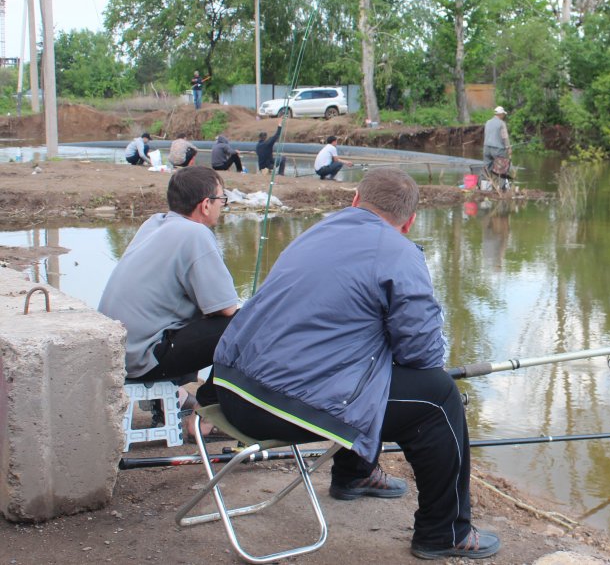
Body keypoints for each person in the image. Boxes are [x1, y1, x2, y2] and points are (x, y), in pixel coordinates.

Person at [212, 168, 501, 560]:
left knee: (361, 352)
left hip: (229, 388)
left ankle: (355, 474)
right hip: (274, 410)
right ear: (410, 221)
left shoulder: (316, 231)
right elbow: (424, 356)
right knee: (438, 398)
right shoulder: (399, 254)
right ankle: (444, 533)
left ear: (354, 200)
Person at [98, 166, 238, 437]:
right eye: (222, 200)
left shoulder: (154, 223)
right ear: (205, 205)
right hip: (143, 356)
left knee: (196, 313)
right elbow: (227, 308)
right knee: (244, 326)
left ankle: (177, 400)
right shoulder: (195, 235)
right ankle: (208, 414)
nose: (223, 206)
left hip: (117, 350)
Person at [483, 106, 511, 173]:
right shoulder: (502, 123)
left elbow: (485, 134)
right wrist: (508, 148)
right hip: (498, 150)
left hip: (486, 148)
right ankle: (499, 183)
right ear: (500, 114)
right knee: (501, 169)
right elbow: (505, 137)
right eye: (503, 114)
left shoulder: (488, 122)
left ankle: (487, 182)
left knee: (487, 169)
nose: (504, 115)